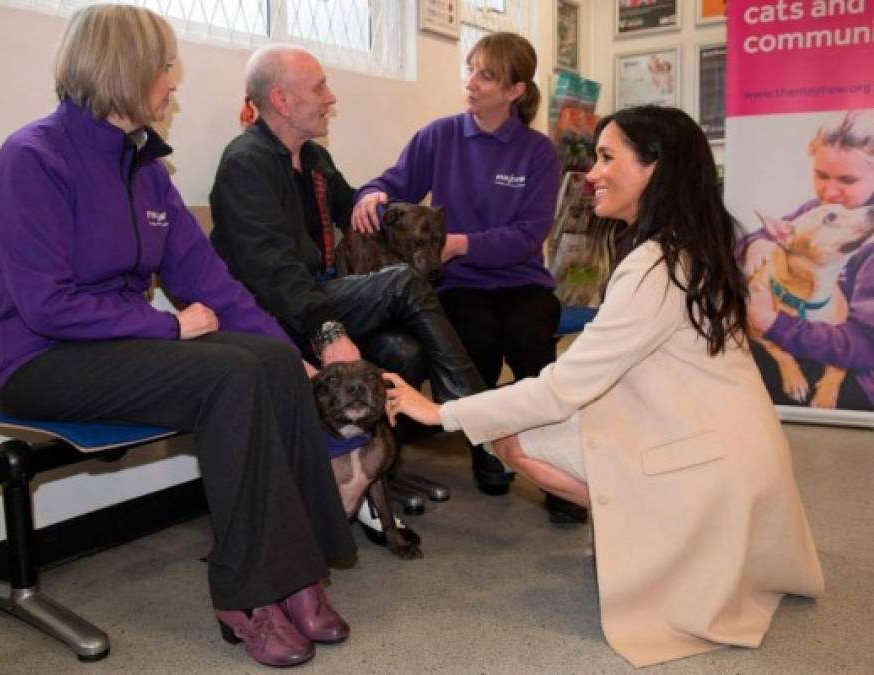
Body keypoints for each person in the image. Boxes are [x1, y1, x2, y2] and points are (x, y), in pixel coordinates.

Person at [0, 6, 355, 668]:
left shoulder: (147, 169)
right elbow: (43, 305)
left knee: (264, 359)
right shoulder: (31, 158)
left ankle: (300, 571)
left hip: (119, 347)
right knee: (227, 374)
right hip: (39, 358)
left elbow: (210, 280)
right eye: (166, 65)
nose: (174, 81)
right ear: (124, 69)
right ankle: (246, 594)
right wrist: (166, 324)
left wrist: (294, 354)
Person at [381, 105, 825, 668]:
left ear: (655, 170)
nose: (591, 173)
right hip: (733, 454)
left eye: (607, 157)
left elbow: (561, 387)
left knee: (512, 439)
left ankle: (657, 539)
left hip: (709, 466)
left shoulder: (654, 267)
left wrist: (438, 412)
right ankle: (656, 531)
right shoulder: (694, 248)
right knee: (527, 420)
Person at [208, 45, 511, 508]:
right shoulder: (245, 165)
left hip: (314, 297)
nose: (331, 97)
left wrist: (376, 202)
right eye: (320, 87)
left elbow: (356, 210)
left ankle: (374, 472)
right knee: (403, 282)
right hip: (273, 314)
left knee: (402, 352)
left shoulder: (311, 159)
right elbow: (277, 275)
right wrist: (328, 331)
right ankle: (477, 420)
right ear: (283, 101)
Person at [351, 32, 584, 524]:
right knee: (473, 338)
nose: (472, 83)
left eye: (487, 75)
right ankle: (488, 447)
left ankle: (559, 466)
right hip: (460, 284)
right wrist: (371, 196)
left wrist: (461, 243)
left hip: (522, 281)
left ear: (515, 91)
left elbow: (528, 234)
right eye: (471, 69)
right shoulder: (439, 136)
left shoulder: (538, 153)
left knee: (529, 344)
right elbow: (394, 182)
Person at [744, 110, 874, 409]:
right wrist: (757, 243)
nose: (829, 192)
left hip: (859, 372)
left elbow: (865, 347)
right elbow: (767, 234)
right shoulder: (823, 207)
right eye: (821, 175)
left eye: (848, 180)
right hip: (810, 337)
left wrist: (774, 323)